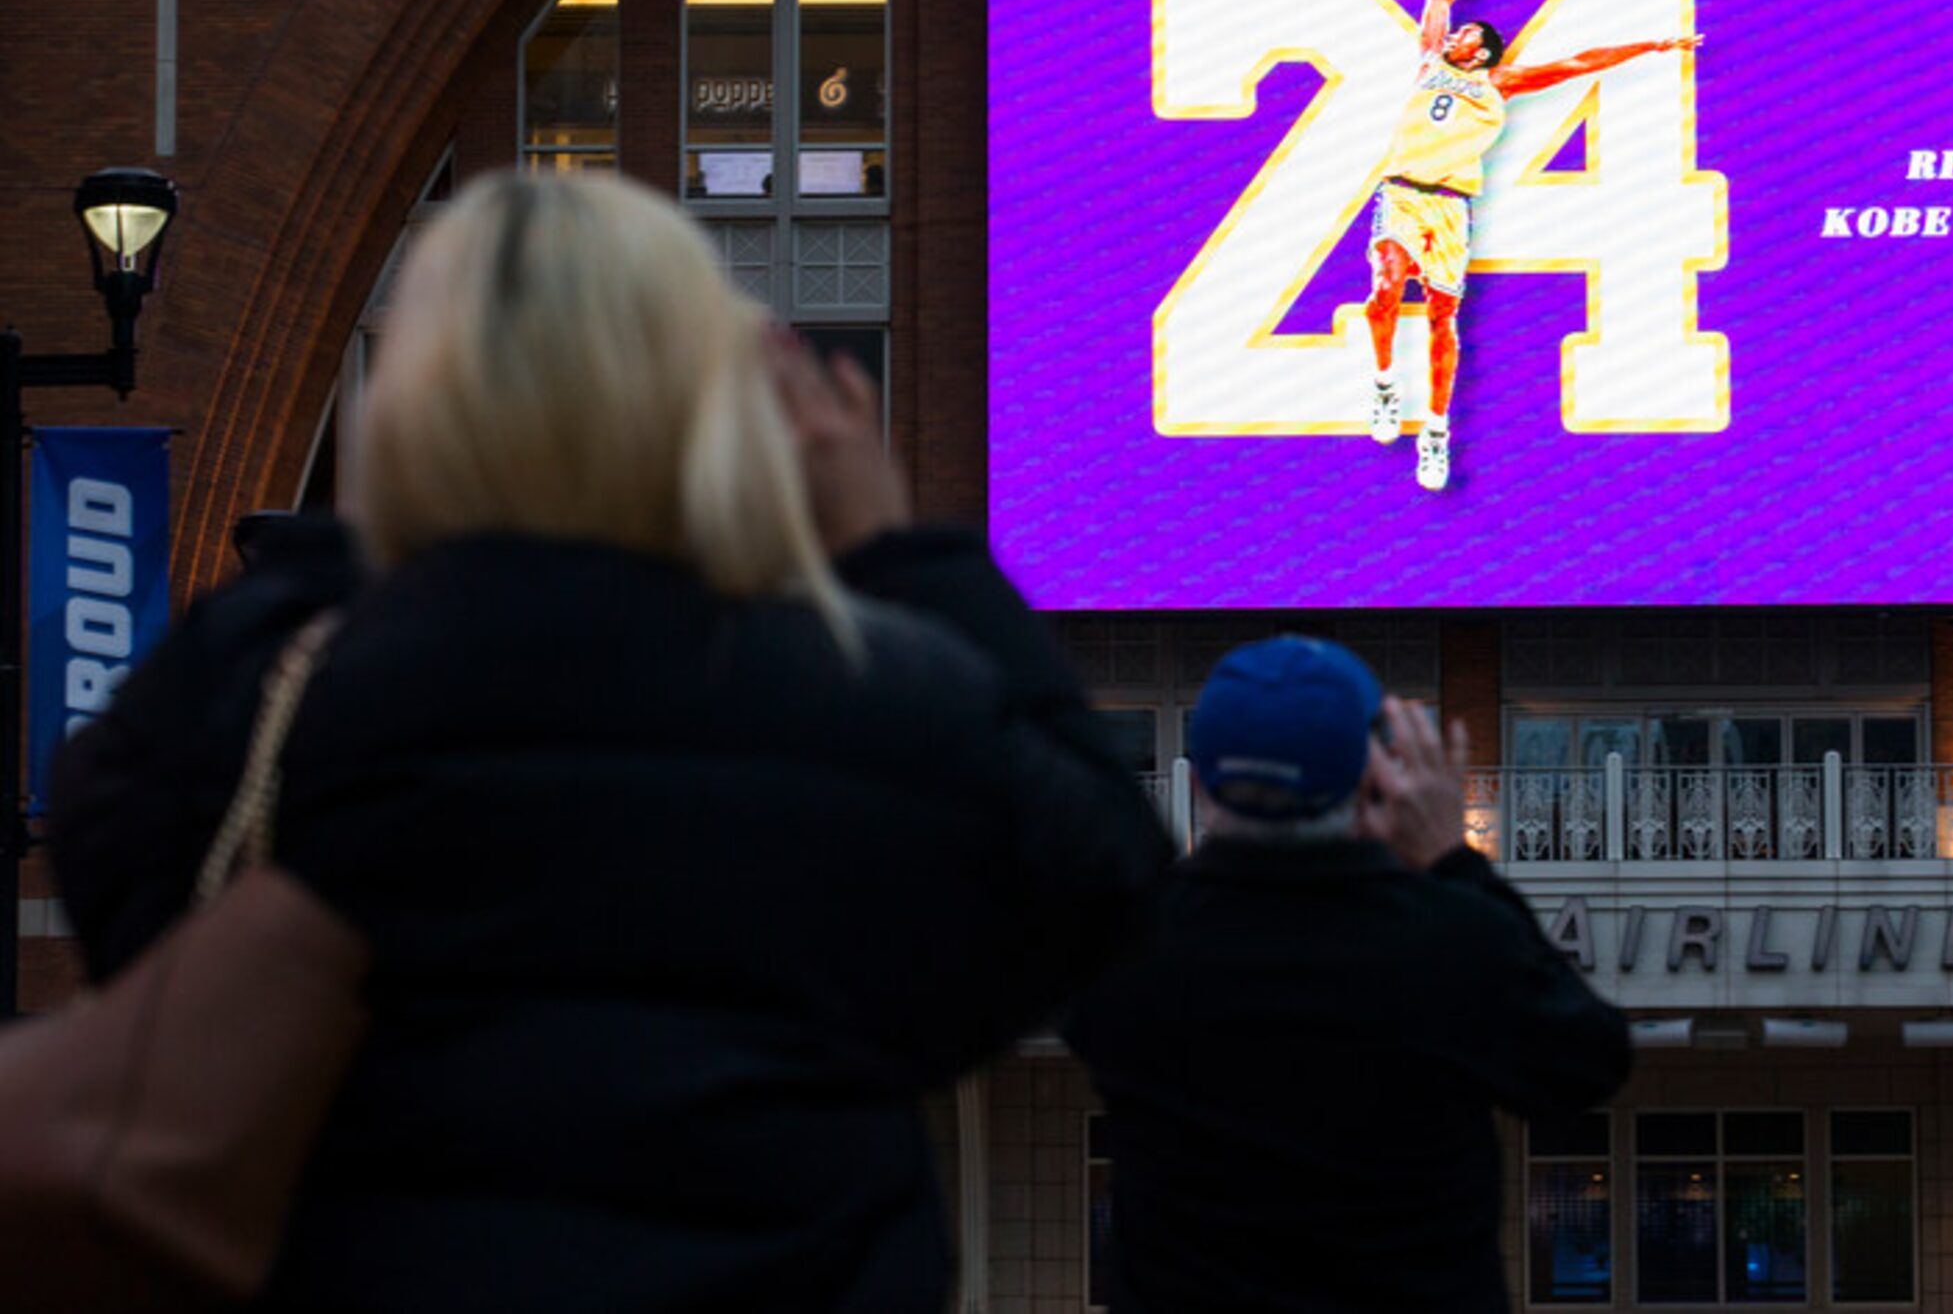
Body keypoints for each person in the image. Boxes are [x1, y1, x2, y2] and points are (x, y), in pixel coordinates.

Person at [50, 171, 1174, 1314]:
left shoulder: (291, 694)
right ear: (708, 401)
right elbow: (1114, 892)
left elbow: (117, 870)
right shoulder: (874, 692)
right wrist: (898, 547)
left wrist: (400, 535)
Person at [1065, 636, 1631, 1313]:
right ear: (1375, 781)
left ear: (1197, 782)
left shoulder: (1125, 943)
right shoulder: (1450, 940)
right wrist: (1453, 860)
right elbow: (1587, 1062)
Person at [1363, 0, 1704, 491]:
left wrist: (1652, 44)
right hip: (1401, 192)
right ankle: (1385, 387)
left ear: (1483, 52)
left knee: (1444, 318)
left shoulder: (1499, 82)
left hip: (1450, 205)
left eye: (1466, 33)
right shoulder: (1429, 60)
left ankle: (1437, 430)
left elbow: (1578, 63)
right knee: (1387, 286)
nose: (1454, 33)